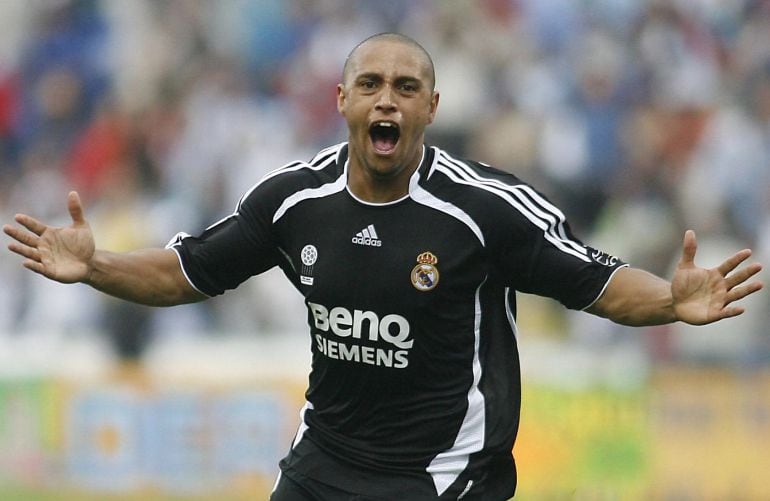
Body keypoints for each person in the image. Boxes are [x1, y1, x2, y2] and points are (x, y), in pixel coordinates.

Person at [3, 33, 764, 500]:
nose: (386, 100)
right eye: (370, 84)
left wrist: (670, 299)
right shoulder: (293, 199)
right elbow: (186, 271)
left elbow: (594, 282)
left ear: (431, 106)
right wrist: (97, 262)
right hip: (324, 461)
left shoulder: (483, 209)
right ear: (341, 99)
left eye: (405, 87)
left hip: (444, 474)